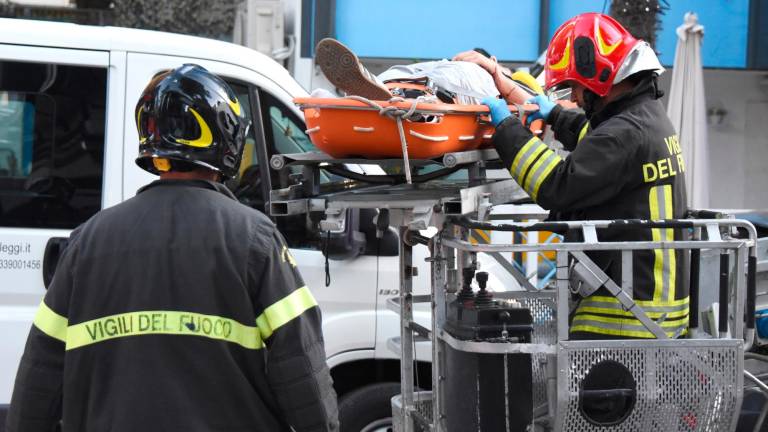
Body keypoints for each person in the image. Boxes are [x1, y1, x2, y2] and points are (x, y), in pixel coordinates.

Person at [6, 64, 339, 431]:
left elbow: (40, 372)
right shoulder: (254, 238)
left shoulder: (88, 240)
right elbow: (301, 367)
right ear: (225, 138)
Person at [481, 13, 689, 339]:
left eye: (575, 87)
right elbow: (596, 145)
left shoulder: (626, 132)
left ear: (601, 76)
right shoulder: (644, 118)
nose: (575, 98)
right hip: (650, 313)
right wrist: (555, 115)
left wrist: (505, 127)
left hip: (626, 319)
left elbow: (556, 185)